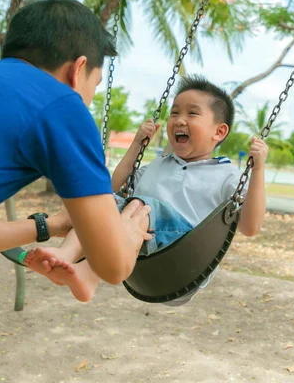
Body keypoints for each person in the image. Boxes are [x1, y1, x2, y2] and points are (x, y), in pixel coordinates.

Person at [0, 0, 151, 285]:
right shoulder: (62, 105)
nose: (89, 99)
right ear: (77, 70)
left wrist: (51, 226)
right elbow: (113, 266)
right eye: (93, 85)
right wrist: (131, 231)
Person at [22, 75, 269, 305]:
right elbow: (112, 187)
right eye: (175, 112)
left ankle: (89, 274)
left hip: (185, 256)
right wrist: (137, 145)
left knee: (141, 205)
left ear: (219, 131)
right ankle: (66, 255)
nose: (179, 119)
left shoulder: (227, 176)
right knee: (103, 203)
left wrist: (257, 170)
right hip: (145, 253)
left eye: (192, 113)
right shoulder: (161, 164)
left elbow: (250, 227)